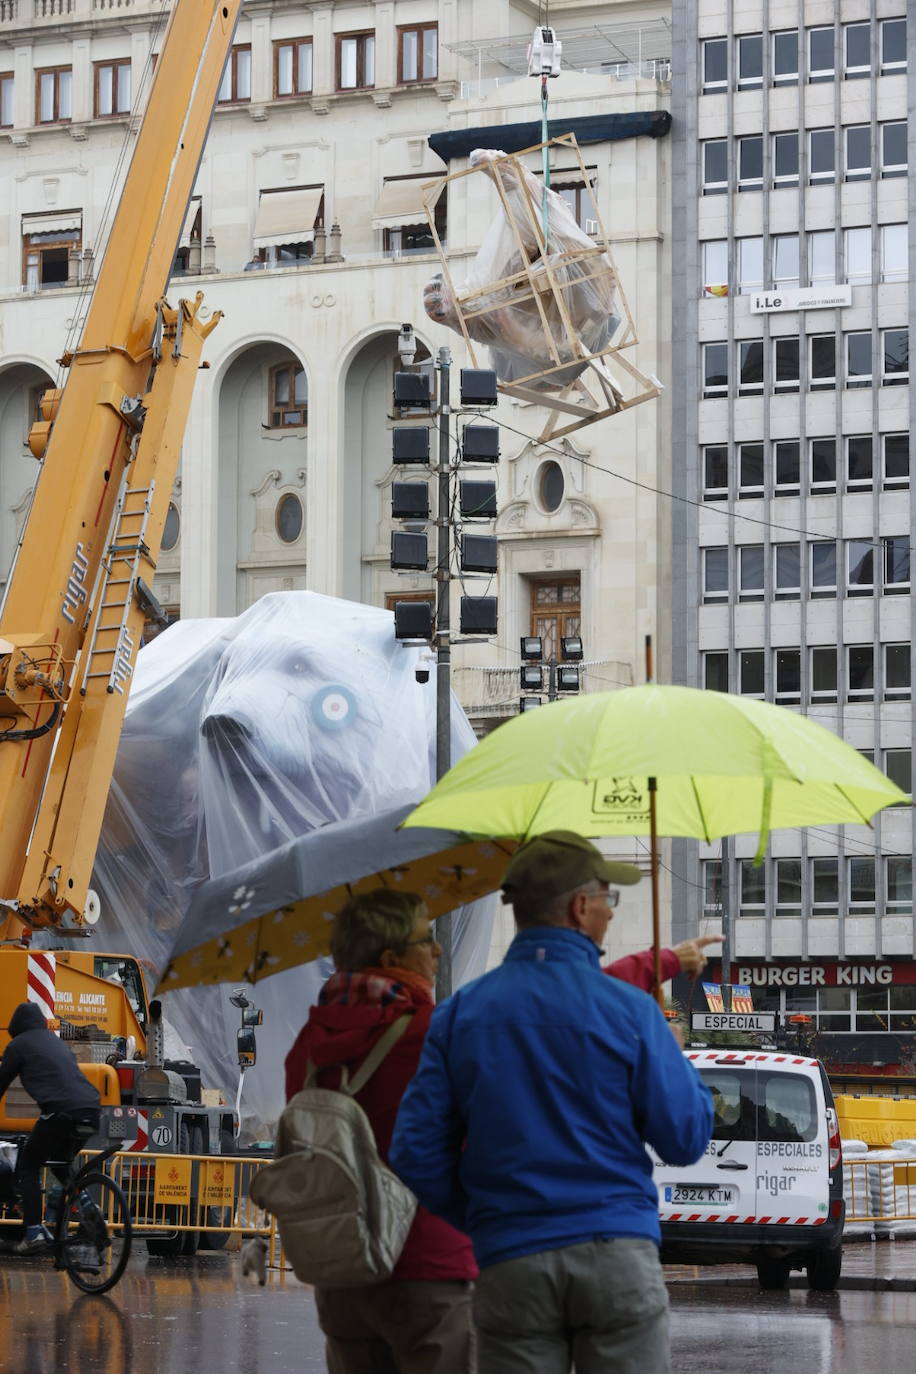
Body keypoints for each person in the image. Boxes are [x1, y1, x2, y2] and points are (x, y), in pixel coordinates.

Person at [390, 830, 714, 1374]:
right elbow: (684, 1138)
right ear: (580, 906)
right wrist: (674, 1053)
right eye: (608, 900)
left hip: (511, 1257)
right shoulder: (630, 1012)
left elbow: (414, 1150)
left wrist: (484, 1217)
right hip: (617, 1255)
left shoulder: (461, 1013)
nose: (610, 914)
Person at [285, 890, 477, 1374]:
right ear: (391, 958)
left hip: (343, 1270)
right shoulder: (436, 1034)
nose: (436, 951)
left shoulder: (307, 1047)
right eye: (426, 939)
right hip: (427, 1268)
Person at [0, 1001, 100, 1254]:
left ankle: (33, 1232)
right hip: (91, 1110)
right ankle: (89, 1207)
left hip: (60, 1112)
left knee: (28, 1167)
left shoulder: (18, 1045)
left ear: (17, 1027)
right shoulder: (56, 1043)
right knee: (62, 1162)